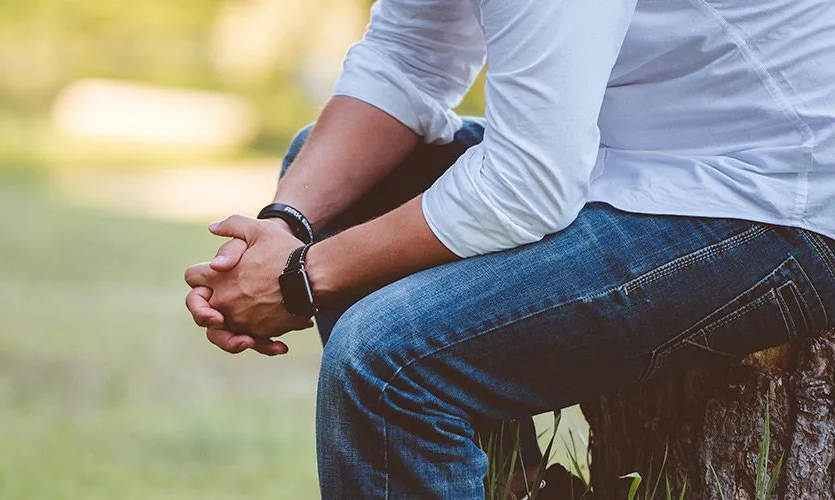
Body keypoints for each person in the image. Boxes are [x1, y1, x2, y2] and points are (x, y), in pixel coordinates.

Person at [183, 0, 835, 497]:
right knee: (335, 182)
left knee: (388, 365)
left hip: (777, 194)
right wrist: (284, 229)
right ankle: (505, 485)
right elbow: (408, 58)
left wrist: (299, 278)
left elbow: (527, 184)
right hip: (633, 162)